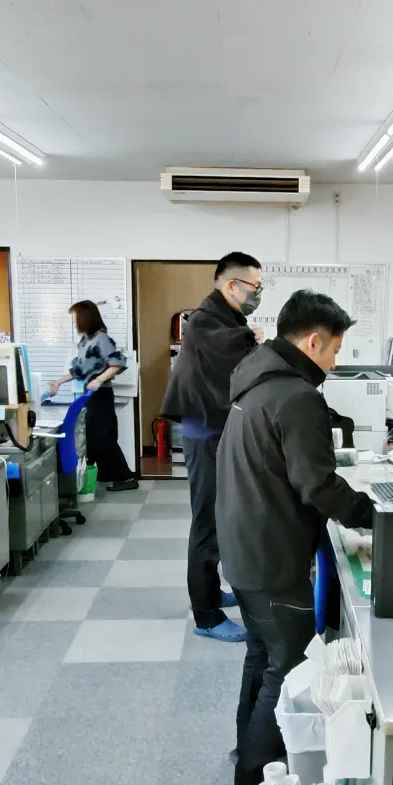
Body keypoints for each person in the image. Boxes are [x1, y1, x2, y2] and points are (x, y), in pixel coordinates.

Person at [216, 290, 374, 785]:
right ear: (312, 341)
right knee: (287, 667)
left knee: (261, 657)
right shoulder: (297, 396)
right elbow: (319, 486)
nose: (334, 361)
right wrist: (377, 518)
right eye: (333, 350)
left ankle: (247, 755)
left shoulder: (255, 381)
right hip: (272, 554)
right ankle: (252, 782)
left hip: (244, 544)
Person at [160, 252, 263, 643]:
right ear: (231, 284)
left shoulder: (226, 316)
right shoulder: (205, 318)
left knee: (219, 518)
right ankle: (205, 615)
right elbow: (225, 345)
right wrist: (251, 338)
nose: (258, 294)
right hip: (205, 431)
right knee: (208, 521)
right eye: (255, 287)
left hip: (211, 427)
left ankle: (210, 590)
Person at [45, 299, 137, 491]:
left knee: (102, 437)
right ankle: (105, 474)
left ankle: (126, 478)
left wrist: (99, 379)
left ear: (85, 318)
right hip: (90, 394)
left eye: (76, 317)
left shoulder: (102, 339)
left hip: (101, 394)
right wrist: (58, 383)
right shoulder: (86, 341)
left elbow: (117, 363)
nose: (74, 321)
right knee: (94, 437)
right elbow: (78, 369)